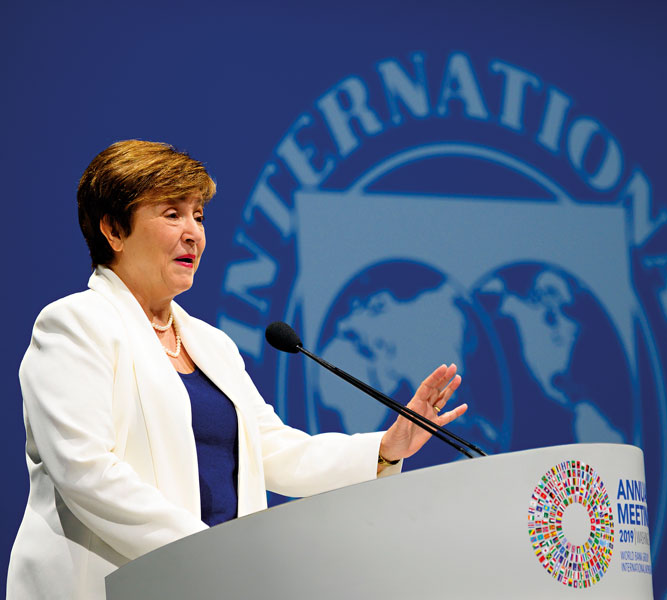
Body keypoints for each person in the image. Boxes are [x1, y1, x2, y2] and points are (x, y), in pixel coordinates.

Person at [6, 140, 467, 599]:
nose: (194, 233)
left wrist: (384, 448)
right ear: (113, 230)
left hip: (212, 582)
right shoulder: (74, 326)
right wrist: (206, 551)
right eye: (172, 214)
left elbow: (271, 448)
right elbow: (85, 470)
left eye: (199, 216)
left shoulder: (211, 344)